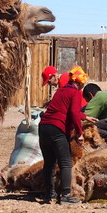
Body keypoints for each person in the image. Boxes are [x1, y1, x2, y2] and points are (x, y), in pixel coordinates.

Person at [37, 65, 89, 204]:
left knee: (49, 163)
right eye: (83, 84)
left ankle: (49, 195)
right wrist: (80, 133)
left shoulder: (61, 91)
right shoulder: (76, 93)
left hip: (43, 128)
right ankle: (66, 195)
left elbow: (63, 109)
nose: (82, 86)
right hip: (57, 129)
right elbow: (73, 114)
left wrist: (85, 117)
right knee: (65, 162)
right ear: (79, 82)